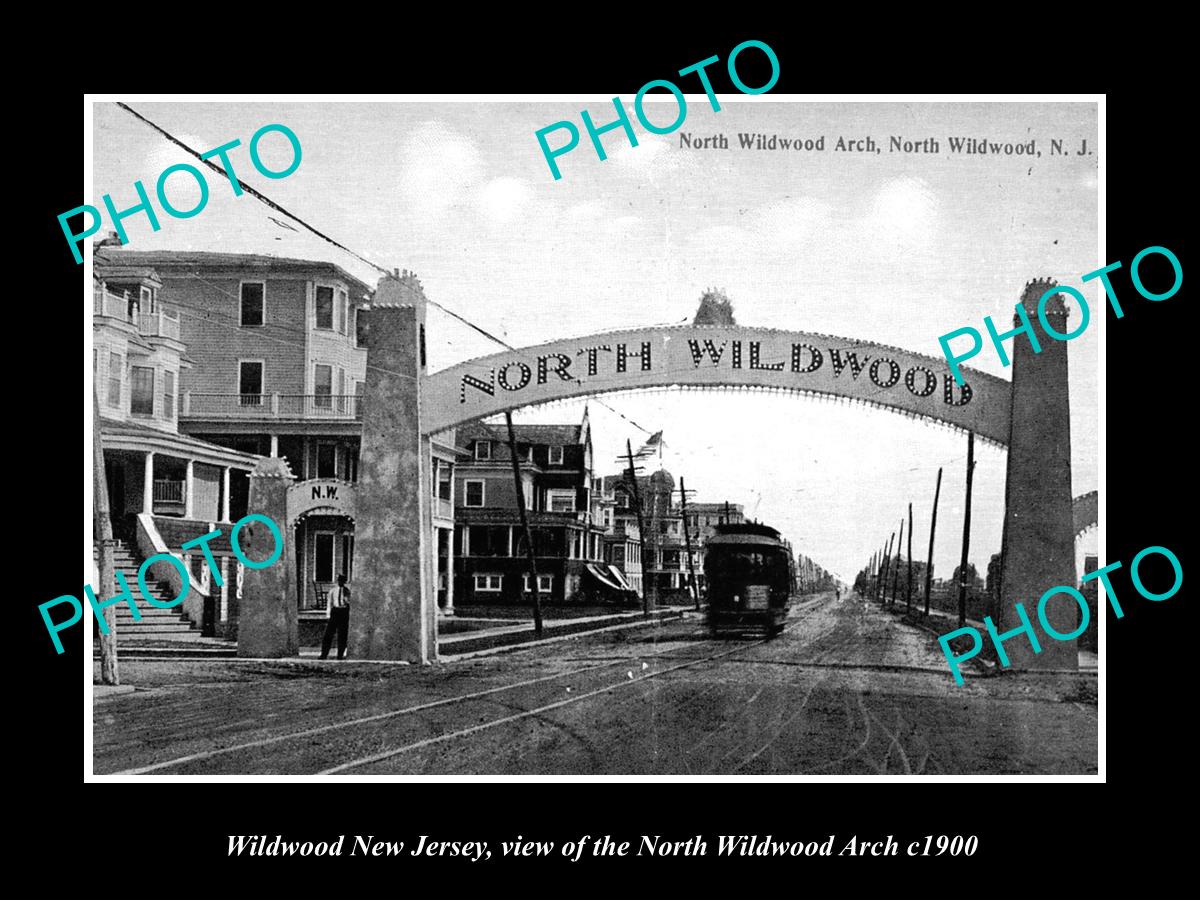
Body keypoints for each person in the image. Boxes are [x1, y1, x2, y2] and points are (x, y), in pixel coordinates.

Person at [320, 573, 351, 660]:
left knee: (342, 634)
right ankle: (324, 654)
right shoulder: (333, 591)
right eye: (339, 580)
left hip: (344, 612)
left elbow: (349, 602)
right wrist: (328, 614)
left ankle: (340, 654)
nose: (341, 582)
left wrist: (346, 599)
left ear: (344, 581)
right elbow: (329, 603)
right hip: (335, 611)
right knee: (328, 634)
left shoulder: (347, 591)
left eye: (342, 581)